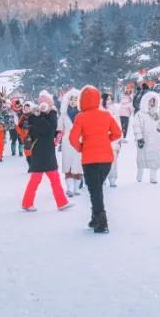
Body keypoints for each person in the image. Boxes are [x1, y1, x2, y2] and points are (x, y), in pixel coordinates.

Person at [68, 85, 123, 234]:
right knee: (97, 188)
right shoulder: (106, 114)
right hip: (106, 158)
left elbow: (72, 138)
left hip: (89, 158)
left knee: (95, 190)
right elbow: (118, 133)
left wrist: (81, 147)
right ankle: (95, 218)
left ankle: (101, 222)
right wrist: (106, 139)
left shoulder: (81, 117)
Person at [22, 94, 71, 211]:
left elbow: (50, 128)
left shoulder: (49, 115)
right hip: (41, 151)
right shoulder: (35, 116)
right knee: (41, 178)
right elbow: (44, 130)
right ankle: (60, 203)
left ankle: (60, 202)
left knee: (48, 178)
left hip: (45, 151)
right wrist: (41, 116)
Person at [133, 92, 160, 183]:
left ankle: (153, 177)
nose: (152, 103)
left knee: (154, 158)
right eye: (150, 101)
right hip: (144, 139)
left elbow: (158, 125)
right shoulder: (140, 114)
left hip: (154, 140)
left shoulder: (155, 113)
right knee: (141, 158)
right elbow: (136, 126)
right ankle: (139, 175)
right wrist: (139, 138)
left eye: (154, 101)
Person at [58, 90, 85, 196]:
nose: (73, 102)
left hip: (80, 142)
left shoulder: (82, 114)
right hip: (67, 142)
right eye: (71, 99)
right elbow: (59, 128)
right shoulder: (64, 115)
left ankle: (76, 189)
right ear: (67, 101)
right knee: (68, 166)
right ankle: (69, 188)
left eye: (75, 99)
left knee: (78, 166)